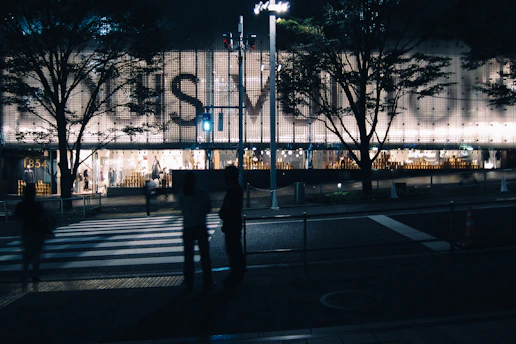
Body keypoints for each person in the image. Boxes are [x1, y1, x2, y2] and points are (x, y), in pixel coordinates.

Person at [177, 171, 213, 293]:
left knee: (188, 258)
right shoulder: (203, 193)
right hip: (200, 226)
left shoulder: (181, 194)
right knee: (205, 256)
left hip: (187, 227)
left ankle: (188, 283)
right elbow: (208, 209)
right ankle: (207, 281)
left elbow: (181, 208)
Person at [14, 183, 55, 284]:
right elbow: (43, 218)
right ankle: (35, 275)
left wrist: (16, 230)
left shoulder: (21, 205)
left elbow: (17, 218)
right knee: (36, 254)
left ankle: (24, 275)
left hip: (26, 231)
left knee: (27, 254)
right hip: (37, 232)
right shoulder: (36, 205)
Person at [219, 165, 245, 285]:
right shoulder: (237, 189)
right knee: (235, 248)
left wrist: (223, 214)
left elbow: (229, 209)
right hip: (234, 223)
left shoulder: (232, 191)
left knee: (233, 249)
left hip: (231, 224)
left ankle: (235, 274)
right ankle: (238, 272)